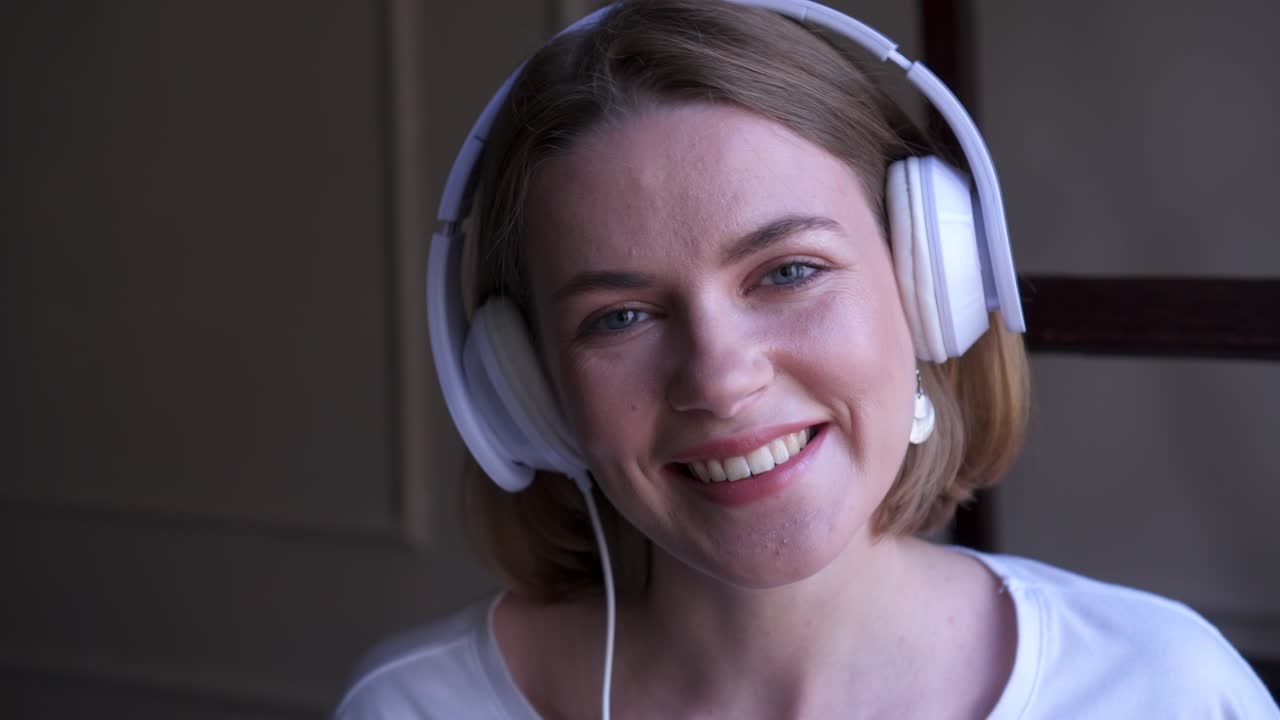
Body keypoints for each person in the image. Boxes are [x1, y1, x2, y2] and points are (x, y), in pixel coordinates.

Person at [336, 0, 1279, 717]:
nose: (720, 379)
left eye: (789, 271)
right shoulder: (414, 707)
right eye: (619, 317)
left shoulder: (1164, 689)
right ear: (530, 391)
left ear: (929, 289)